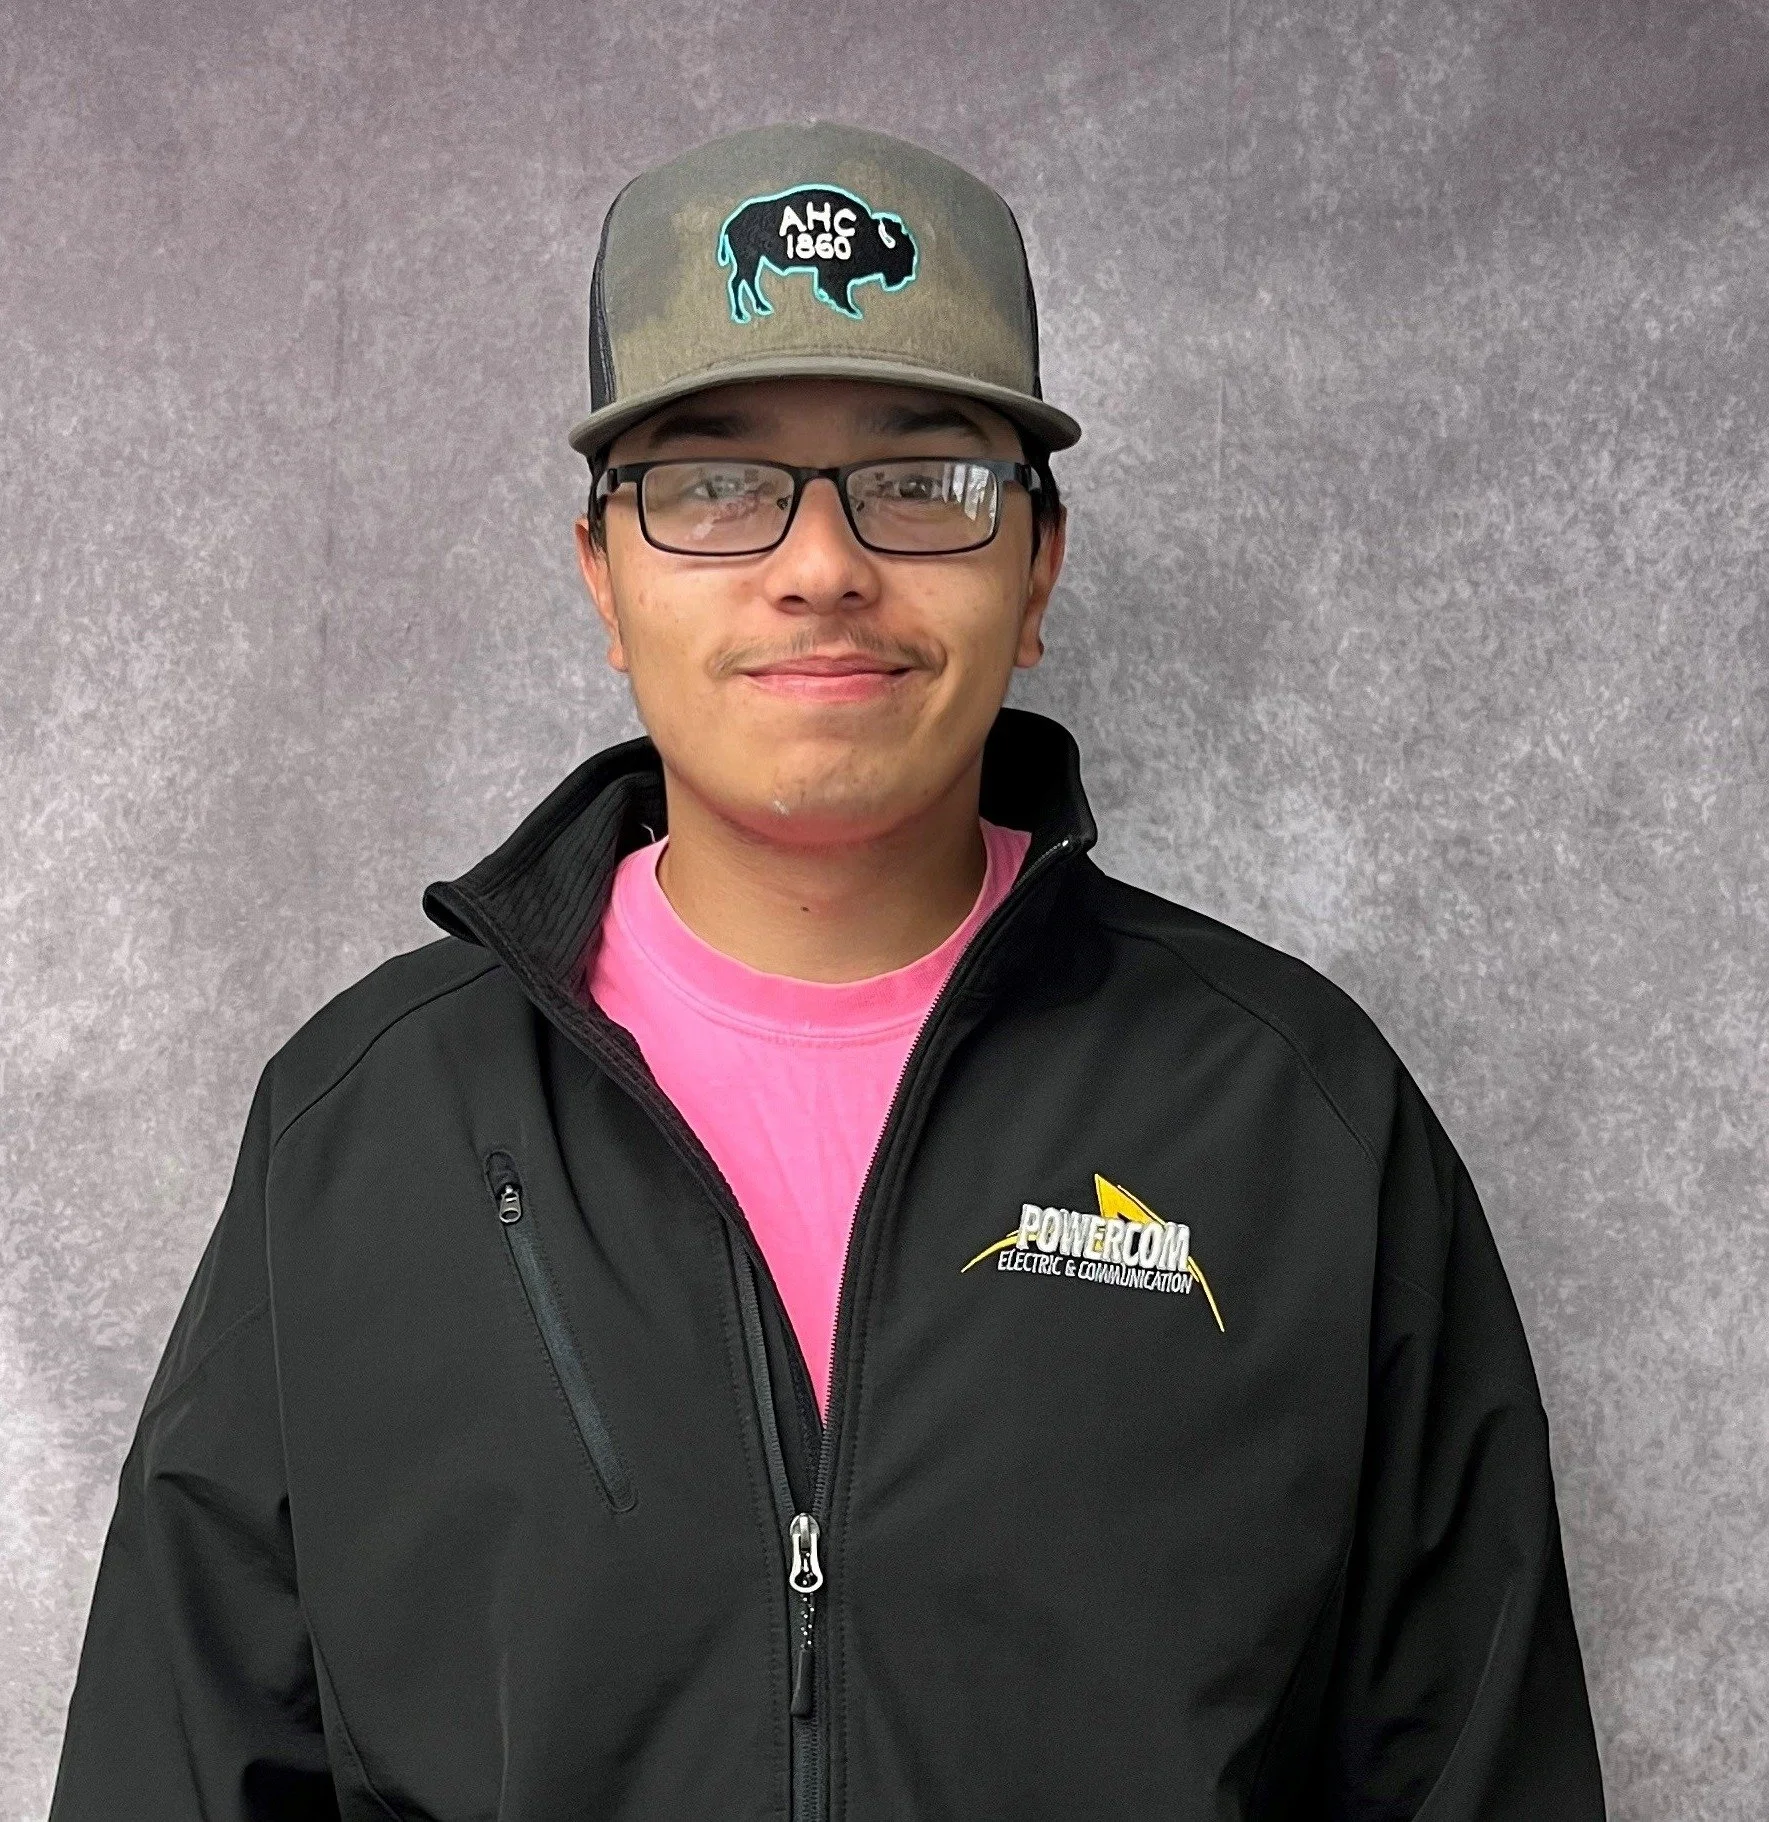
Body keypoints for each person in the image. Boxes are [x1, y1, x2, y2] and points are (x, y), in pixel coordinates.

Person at [48, 119, 1606, 1820]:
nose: (820, 566)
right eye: (714, 483)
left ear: (1038, 568)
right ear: (603, 573)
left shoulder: (1292, 1118)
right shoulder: (365, 1131)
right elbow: (177, 1769)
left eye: (922, 481)